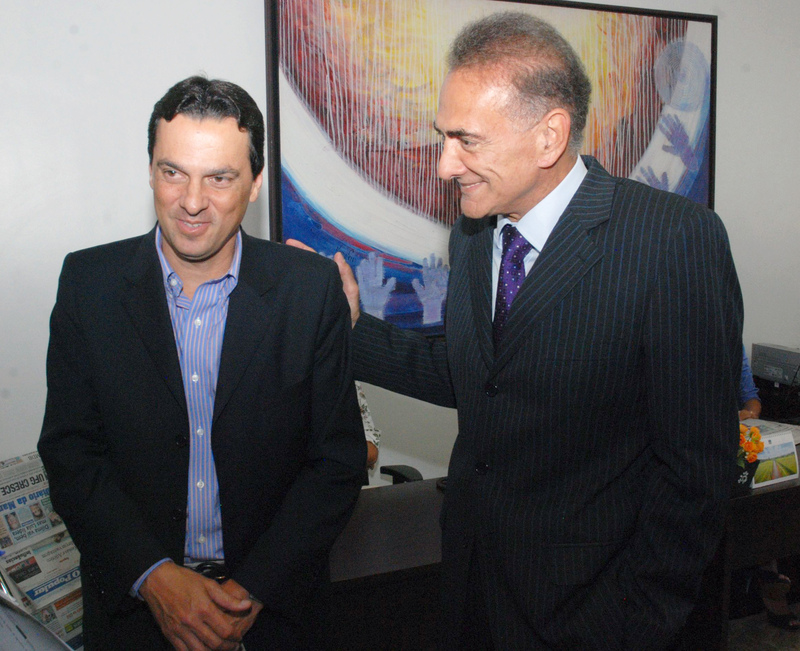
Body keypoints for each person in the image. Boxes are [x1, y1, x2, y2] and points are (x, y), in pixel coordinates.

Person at [292, 12, 743, 649]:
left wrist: (636, 621)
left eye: (466, 141)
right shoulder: (474, 235)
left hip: (597, 613)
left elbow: (696, 471)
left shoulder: (671, 240)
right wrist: (347, 327)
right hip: (474, 590)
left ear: (548, 136)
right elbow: (477, 375)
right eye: (443, 137)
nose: (445, 165)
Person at [39, 76, 366, 650]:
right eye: (173, 173)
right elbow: (72, 453)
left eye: (219, 178)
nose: (192, 202)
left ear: (256, 183)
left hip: (275, 613)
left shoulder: (310, 291)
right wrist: (155, 578)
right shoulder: (89, 285)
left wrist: (249, 593)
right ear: (150, 171)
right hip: (135, 615)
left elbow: (335, 463)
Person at [739, 347, 800, 630]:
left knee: (774, 483)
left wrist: (749, 412)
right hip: (704, 441)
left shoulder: (732, 343)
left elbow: (751, 396)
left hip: (741, 435)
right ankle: (766, 578)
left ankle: (768, 572)